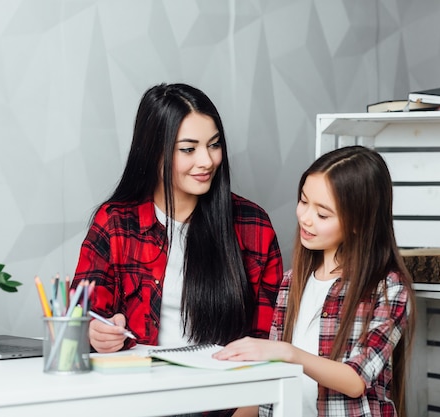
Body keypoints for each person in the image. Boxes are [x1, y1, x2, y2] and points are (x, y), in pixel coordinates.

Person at [72, 83, 283, 355]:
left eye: (214, 145)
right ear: (154, 152)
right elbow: (79, 318)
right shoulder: (116, 223)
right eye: (188, 149)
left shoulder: (253, 225)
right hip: (139, 387)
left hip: (227, 388)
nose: (207, 161)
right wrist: (94, 332)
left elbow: (271, 337)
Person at [214, 145, 416, 417]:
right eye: (303, 201)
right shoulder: (292, 281)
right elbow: (270, 383)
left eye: (322, 214)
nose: (305, 218)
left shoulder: (387, 288)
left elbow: (355, 380)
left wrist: (288, 353)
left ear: (359, 222)